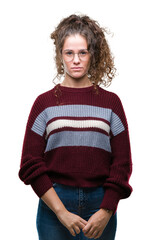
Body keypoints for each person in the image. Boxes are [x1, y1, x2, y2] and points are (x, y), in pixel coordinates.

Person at [18, 14, 133, 240]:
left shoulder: (111, 103)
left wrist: (107, 210)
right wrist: (60, 211)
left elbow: (122, 163)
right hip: (54, 203)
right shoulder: (44, 103)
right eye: (69, 53)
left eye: (83, 52)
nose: (76, 60)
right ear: (60, 55)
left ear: (93, 54)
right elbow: (30, 163)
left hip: (100, 205)